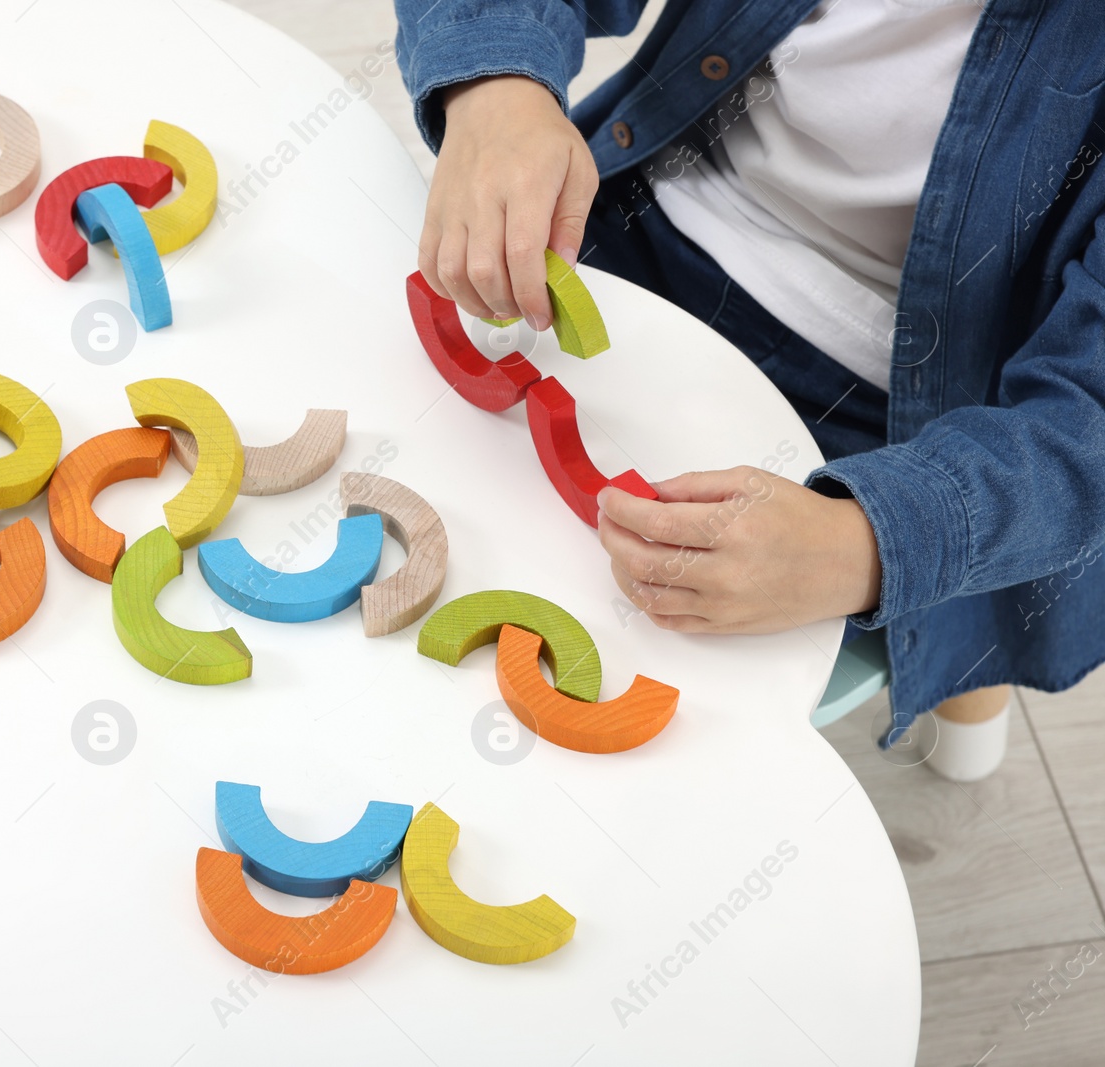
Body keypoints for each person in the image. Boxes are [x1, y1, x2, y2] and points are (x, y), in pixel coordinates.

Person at [395, 0, 1105, 780]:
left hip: (912, 414)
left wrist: (864, 545)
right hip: (642, 215)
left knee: (645, 731)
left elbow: (1085, 418)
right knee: (445, 485)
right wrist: (498, 86)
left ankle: (964, 708)